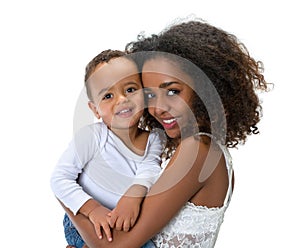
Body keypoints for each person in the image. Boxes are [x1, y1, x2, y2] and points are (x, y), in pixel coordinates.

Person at [61, 18, 270, 248]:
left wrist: (69, 198)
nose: (157, 108)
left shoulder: (197, 149)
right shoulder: (207, 151)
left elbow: (114, 246)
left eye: (172, 91)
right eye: (150, 95)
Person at [50, 49, 163, 248]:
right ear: (95, 110)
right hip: (85, 221)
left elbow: (150, 168)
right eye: (108, 95)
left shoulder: (154, 138)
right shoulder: (92, 136)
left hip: (127, 223)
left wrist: (133, 195)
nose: (121, 100)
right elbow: (59, 178)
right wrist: (92, 209)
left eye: (130, 90)